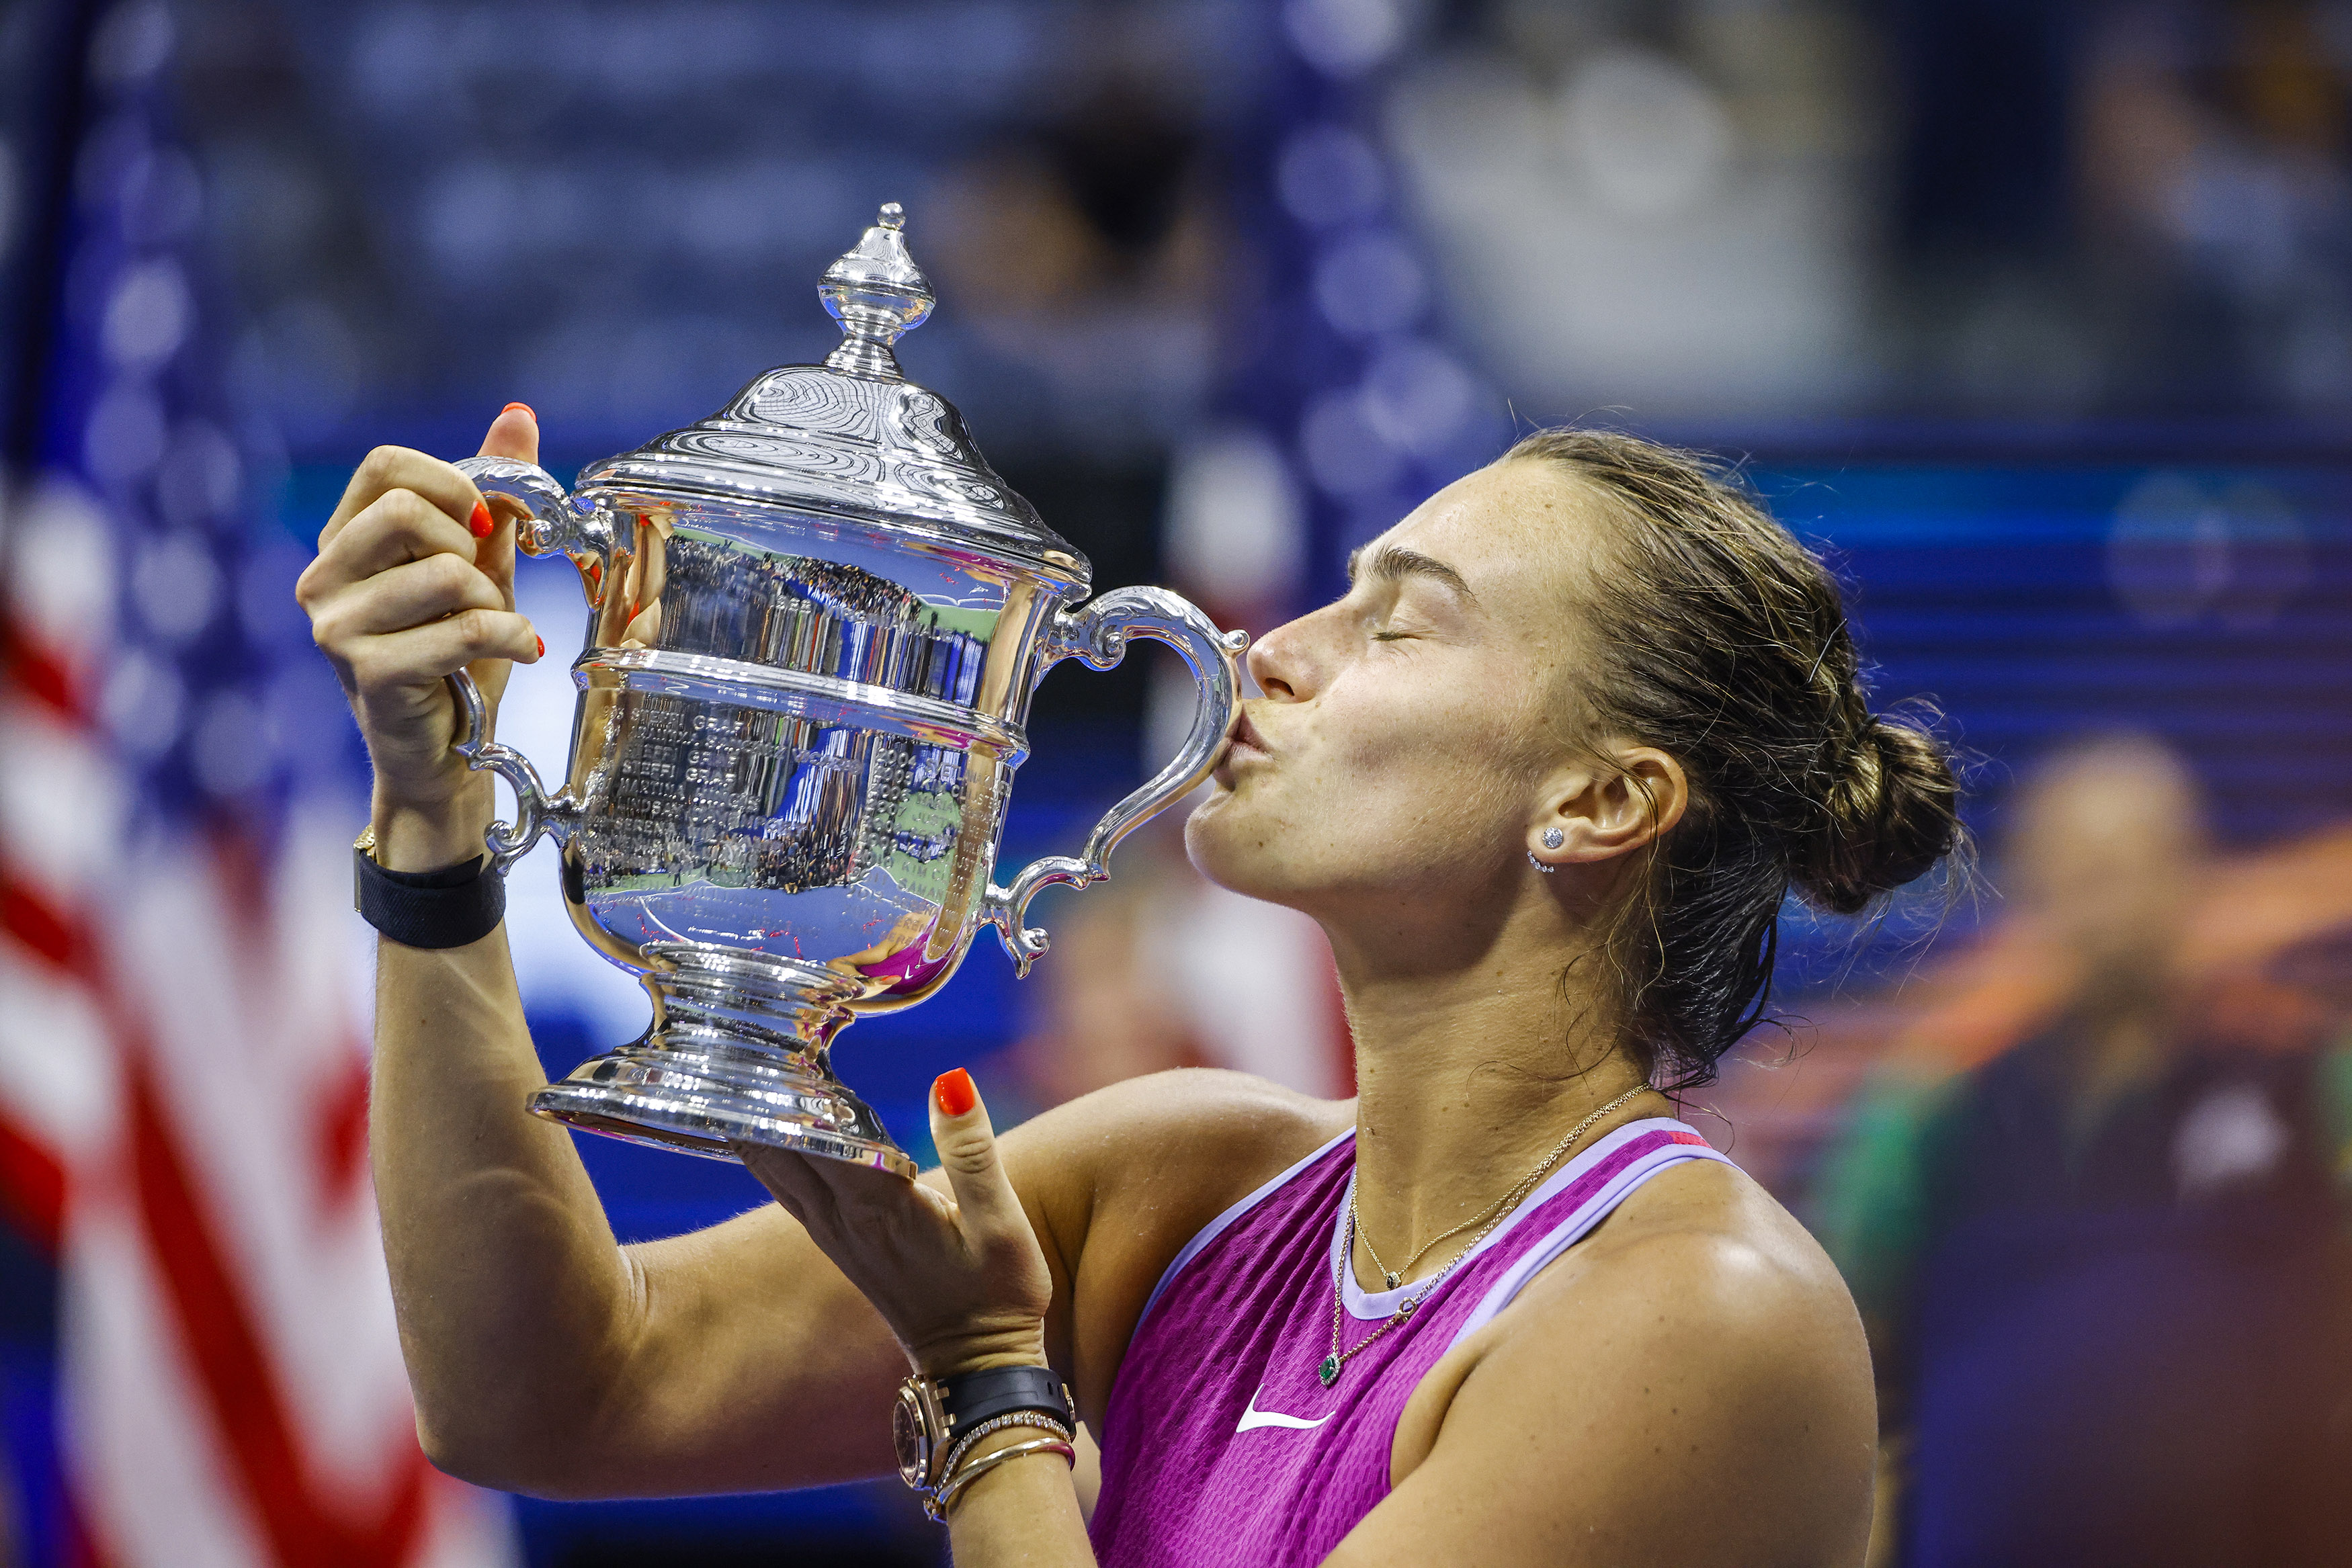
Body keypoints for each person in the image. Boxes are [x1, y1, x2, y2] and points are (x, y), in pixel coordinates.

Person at [298, 408, 1962, 1566]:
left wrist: (987, 1381)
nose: (1269, 651)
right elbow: (547, 1389)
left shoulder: (1705, 1315)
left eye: (1399, 626)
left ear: (1600, 801)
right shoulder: (1185, 1181)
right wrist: (434, 829)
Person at [1815, 736, 2352, 1567]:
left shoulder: (2305, 1082)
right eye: (2080, 871)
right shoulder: (1937, 1112)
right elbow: (1856, 1347)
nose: (2107, 900)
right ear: (2033, 888)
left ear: (2190, 872)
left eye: (2131, 864)